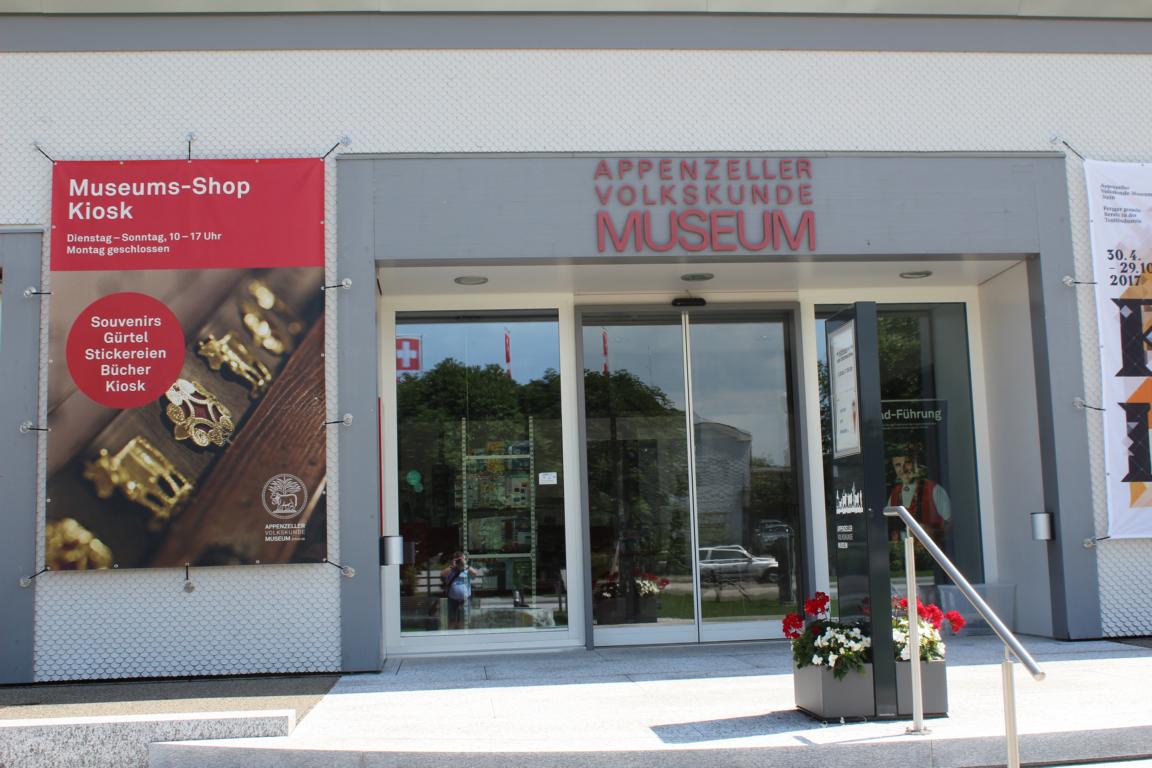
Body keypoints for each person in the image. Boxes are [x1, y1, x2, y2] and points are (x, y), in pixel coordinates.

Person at [888, 448, 951, 547]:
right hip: (904, 553)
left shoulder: (934, 490)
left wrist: (934, 532)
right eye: (898, 465)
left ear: (915, 464)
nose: (903, 469)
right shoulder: (894, 494)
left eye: (907, 463)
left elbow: (955, 527)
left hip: (930, 553)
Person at [440, 552, 480, 629]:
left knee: (464, 621)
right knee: (451, 621)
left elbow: (475, 574)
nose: (459, 561)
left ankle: (463, 635)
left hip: (465, 600)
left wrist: (465, 565)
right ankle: (451, 635)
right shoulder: (450, 570)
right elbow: (442, 575)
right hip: (452, 600)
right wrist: (452, 566)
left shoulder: (467, 569)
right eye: (458, 560)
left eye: (461, 559)